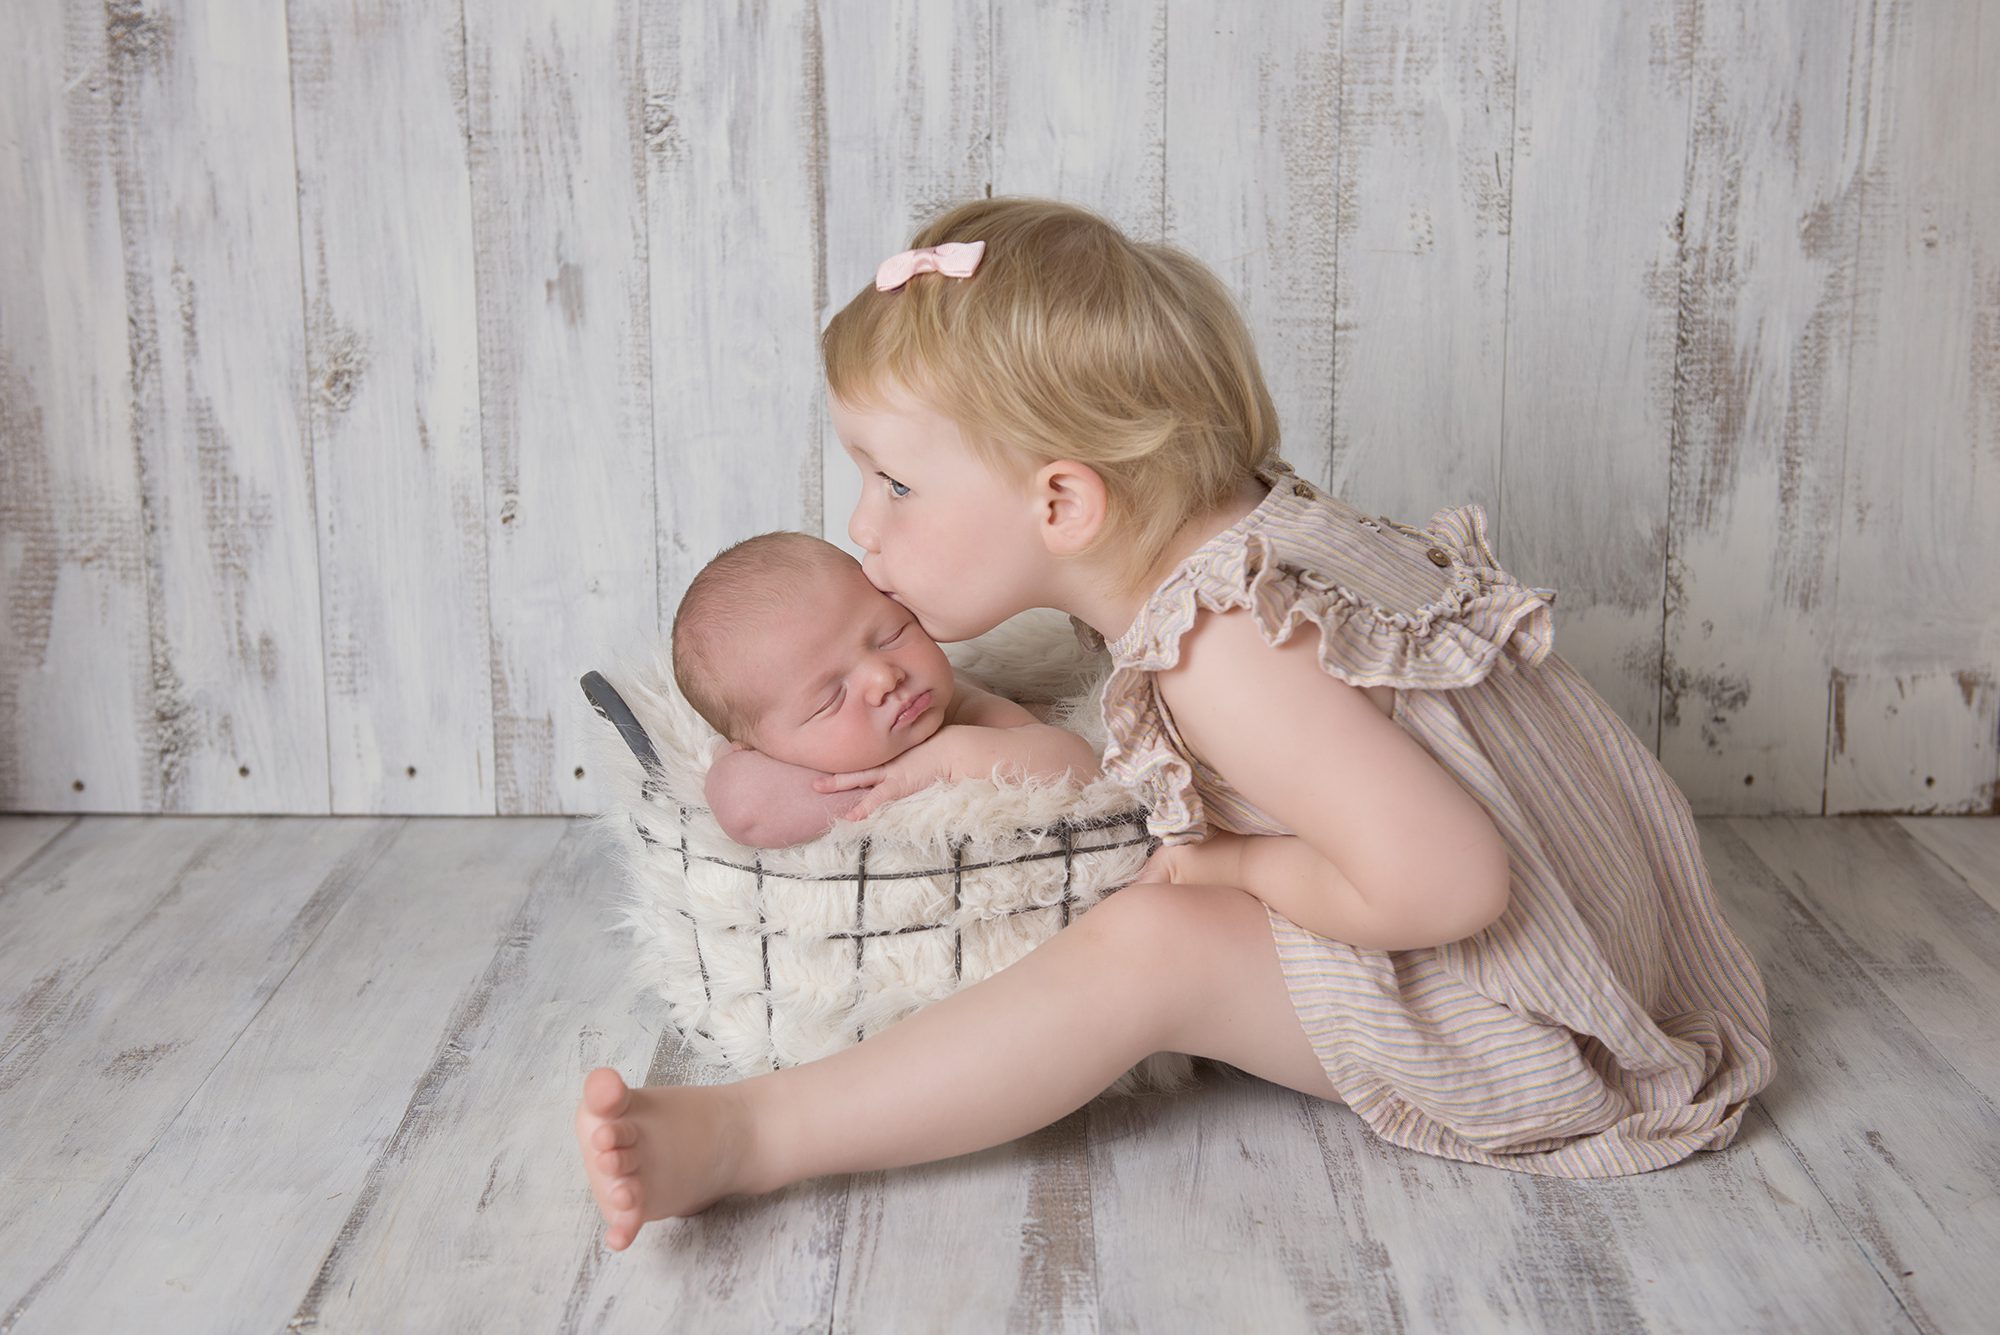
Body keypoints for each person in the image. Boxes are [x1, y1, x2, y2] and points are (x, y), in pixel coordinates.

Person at [576, 198, 1775, 1250]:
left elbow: (1449, 884)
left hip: (1535, 1026)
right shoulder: (1241, 535)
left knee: (1151, 944)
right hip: (1604, 943)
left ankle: (750, 1134)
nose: (863, 527)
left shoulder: (1218, 650)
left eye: (891, 482)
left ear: (1060, 500)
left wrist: (1236, 865)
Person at [671, 530, 1098, 847]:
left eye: (892, 635)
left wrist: (944, 762)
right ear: (758, 746)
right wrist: (877, 793)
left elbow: (1079, 763)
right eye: (831, 698)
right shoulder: (779, 759)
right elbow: (745, 805)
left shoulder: (964, 711)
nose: (884, 677)